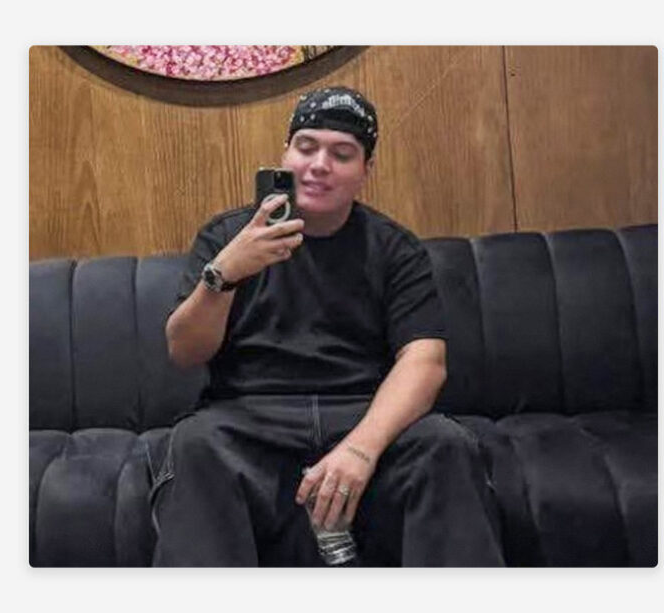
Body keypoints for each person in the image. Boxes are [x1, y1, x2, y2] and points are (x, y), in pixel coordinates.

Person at [153, 86, 504, 566]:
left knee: (445, 445)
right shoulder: (227, 237)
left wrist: (361, 449)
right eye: (306, 147)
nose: (319, 165)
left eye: (341, 154)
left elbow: (425, 361)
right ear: (286, 153)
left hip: (362, 412)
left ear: (365, 170)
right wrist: (224, 274)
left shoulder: (394, 248)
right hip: (250, 419)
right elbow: (184, 352)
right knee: (194, 445)